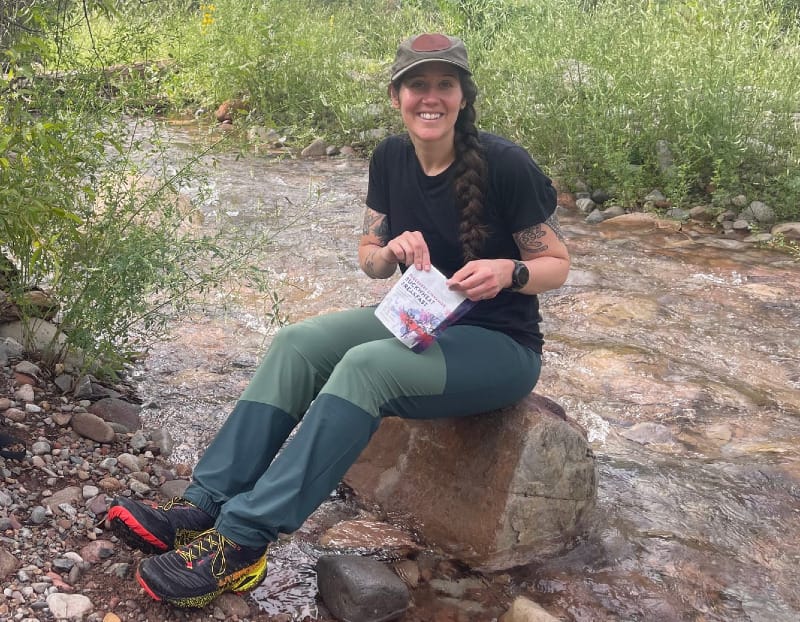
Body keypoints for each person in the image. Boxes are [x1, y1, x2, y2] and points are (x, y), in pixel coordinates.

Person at [106, 32, 570, 608]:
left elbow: (557, 263)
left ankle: (241, 544)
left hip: (500, 345)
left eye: (444, 85)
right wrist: (390, 253)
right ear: (397, 94)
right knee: (298, 342)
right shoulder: (390, 157)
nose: (430, 98)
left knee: (365, 368)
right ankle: (205, 500)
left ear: (463, 96)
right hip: (419, 321)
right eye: (417, 85)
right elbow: (370, 257)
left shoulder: (506, 163)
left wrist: (509, 272)